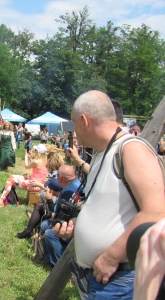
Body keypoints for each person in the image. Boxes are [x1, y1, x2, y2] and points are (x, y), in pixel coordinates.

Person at [54, 90, 165, 299]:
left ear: (84, 120)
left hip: (120, 277)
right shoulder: (103, 152)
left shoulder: (131, 149)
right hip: (106, 278)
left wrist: (111, 257)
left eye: (74, 124)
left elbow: (156, 212)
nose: (75, 132)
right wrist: (77, 225)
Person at [0, 143, 48, 208]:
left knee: (10, 180)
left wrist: (26, 156)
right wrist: (30, 158)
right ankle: (7, 197)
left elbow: (27, 166)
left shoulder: (36, 161)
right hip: (38, 184)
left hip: (33, 185)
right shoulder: (44, 161)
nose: (35, 151)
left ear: (38, 152)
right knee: (12, 176)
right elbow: (34, 165)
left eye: (36, 150)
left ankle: (1, 200)